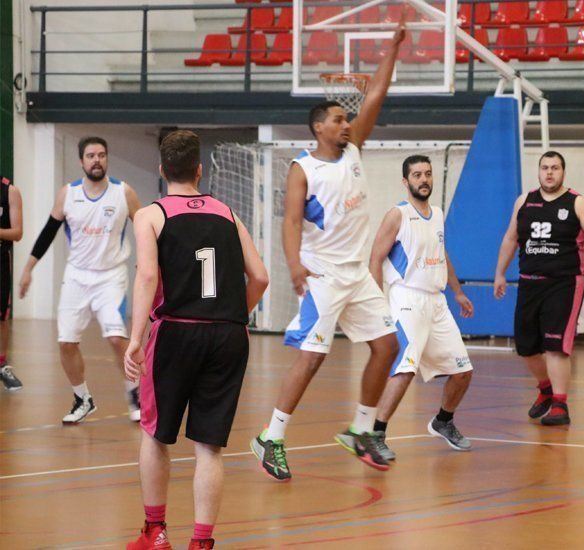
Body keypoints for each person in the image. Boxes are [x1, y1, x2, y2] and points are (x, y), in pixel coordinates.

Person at [251, 13, 409, 478]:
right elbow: (291, 222)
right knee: (313, 357)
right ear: (319, 128)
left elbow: (375, 95)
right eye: (338, 119)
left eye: (346, 118)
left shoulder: (354, 147)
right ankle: (270, 437)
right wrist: (295, 265)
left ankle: (360, 429)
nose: (346, 123)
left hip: (356, 273)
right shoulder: (304, 170)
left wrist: (393, 49)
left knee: (386, 346)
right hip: (322, 274)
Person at [124, 130, 268, 550]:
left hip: (177, 331)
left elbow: (147, 276)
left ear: (161, 170)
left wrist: (136, 337)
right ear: (199, 169)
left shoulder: (150, 215)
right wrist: (233, 314)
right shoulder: (227, 212)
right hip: (228, 335)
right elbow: (260, 276)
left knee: (155, 435)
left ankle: (156, 532)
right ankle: (202, 542)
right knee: (209, 446)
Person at [494, 151, 584, 426]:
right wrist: (499, 273)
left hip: (565, 283)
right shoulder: (524, 201)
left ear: (563, 172)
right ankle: (545, 389)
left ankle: (560, 404)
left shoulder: (577, 203)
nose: (549, 173)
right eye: (544, 168)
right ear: (539, 171)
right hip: (529, 282)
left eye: (554, 168)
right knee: (526, 347)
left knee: (555, 346)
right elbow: (511, 237)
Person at [19, 137, 142, 423]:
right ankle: (82, 398)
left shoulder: (123, 192)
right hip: (76, 276)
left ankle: (135, 394)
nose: (96, 160)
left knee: (115, 338)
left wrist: (152, 259)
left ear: (107, 158)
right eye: (90, 155)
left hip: (111, 276)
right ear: (81, 161)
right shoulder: (68, 194)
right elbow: (48, 232)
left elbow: (145, 226)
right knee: (66, 342)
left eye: (101, 154)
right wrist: (28, 268)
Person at [367, 155, 475, 461]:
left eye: (427, 174)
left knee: (463, 372)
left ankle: (443, 421)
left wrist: (457, 291)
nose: (424, 179)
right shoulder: (397, 215)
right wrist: (376, 305)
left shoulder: (438, 214)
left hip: (437, 301)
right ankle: (376, 433)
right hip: (407, 299)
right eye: (417, 175)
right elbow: (375, 258)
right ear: (406, 181)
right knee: (405, 368)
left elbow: (442, 255)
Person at [0, 175, 23, 390]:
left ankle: (1, 364)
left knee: (1, 317)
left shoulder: (9, 191)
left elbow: (17, 232)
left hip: (0, 259)